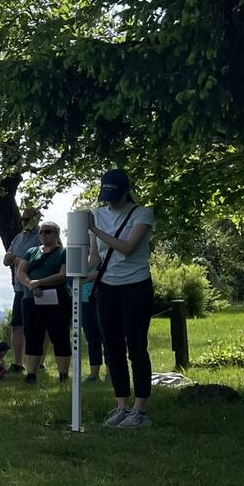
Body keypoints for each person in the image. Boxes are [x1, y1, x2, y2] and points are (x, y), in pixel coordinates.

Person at [88, 169, 156, 428]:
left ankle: (140, 410)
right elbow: (95, 257)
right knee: (112, 346)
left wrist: (94, 229)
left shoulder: (142, 213)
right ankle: (121, 406)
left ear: (126, 191)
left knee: (136, 345)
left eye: (115, 196)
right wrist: (79, 273)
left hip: (136, 286)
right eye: (106, 196)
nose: (111, 201)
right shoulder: (97, 214)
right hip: (107, 288)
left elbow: (127, 248)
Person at [17, 221, 72, 383]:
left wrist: (39, 283)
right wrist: (30, 284)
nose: (43, 235)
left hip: (57, 300)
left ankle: (63, 375)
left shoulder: (63, 252)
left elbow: (62, 275)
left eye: (47, 232)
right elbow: (21, 271)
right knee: (33, 336)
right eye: (41, 232)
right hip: (31, 299)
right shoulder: (31, 252)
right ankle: (31, 374)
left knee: (60, 336)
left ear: (56, 234)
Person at [2, 207, 43, 373]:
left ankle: (36, 363)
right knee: (16, 326)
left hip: (36, 287)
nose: (24, 222)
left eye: (27, 219)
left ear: (36, 218)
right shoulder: (18, 238)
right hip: (19, 288)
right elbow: (6, 260)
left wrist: (21, 261)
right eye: (22, 219)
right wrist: (8, 258)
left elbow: (46, 258)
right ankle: (18, 363)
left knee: (35, 327)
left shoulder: (42, 236)